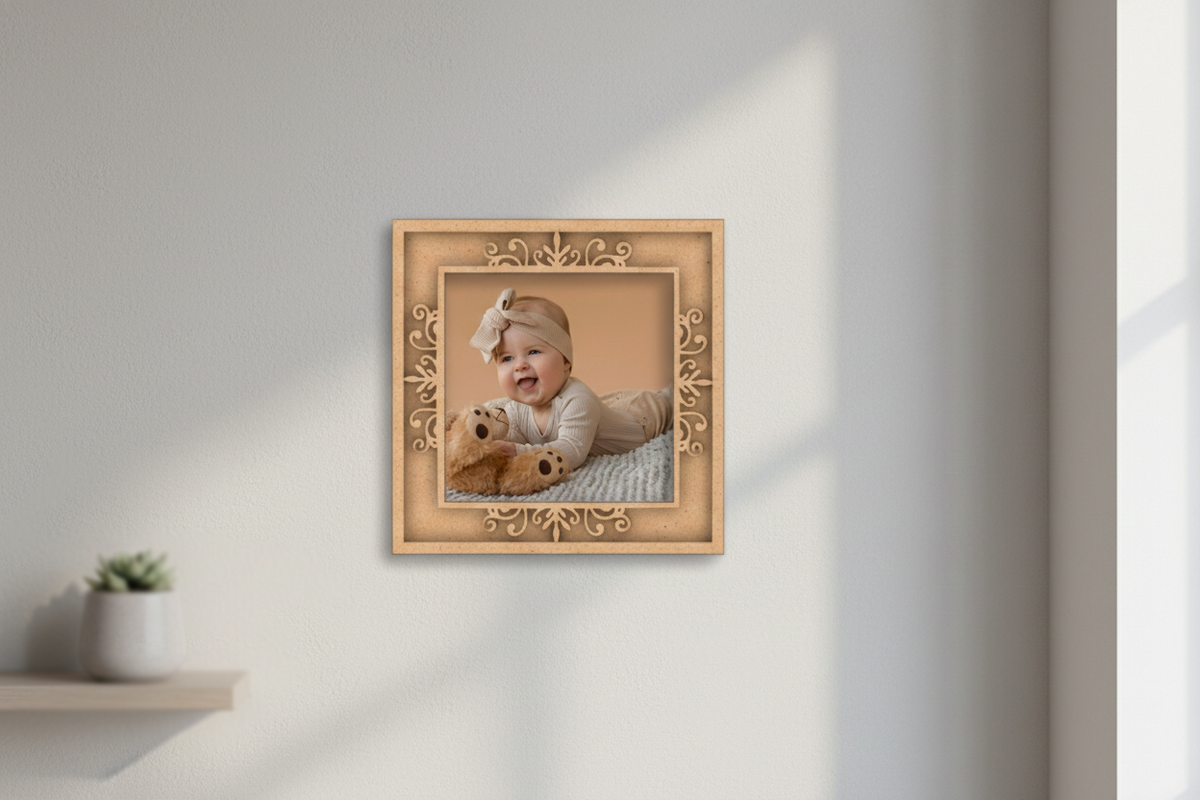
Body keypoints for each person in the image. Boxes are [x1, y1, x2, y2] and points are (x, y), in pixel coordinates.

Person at [468, 288, 672, 470]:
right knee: (603, 407)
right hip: (607, 407)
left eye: (533, 352)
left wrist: (517, 452)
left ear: (566, 361)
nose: (519, 365)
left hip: (645, 418)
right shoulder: (515, 408)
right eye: (508, 358)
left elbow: (572, 450)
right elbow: (513, 436)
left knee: (672, 400)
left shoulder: (578, 401)